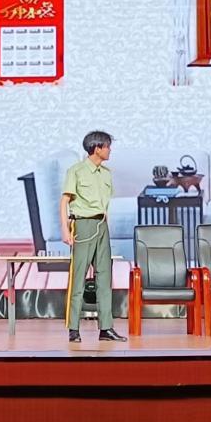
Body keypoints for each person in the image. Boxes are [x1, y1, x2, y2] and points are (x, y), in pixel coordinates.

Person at [60, 130, 127, 343]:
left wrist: (105, 225)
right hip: (83, 224)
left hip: (101, 225)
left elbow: (105, 205)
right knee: (79, 278)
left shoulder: (106, 173)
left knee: (104, 277)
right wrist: (65, 230)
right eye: (107, 146)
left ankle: (106, 328)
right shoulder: (76, 171)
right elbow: (64, 201)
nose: (110, 150)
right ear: (97, 148)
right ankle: (73, 328)